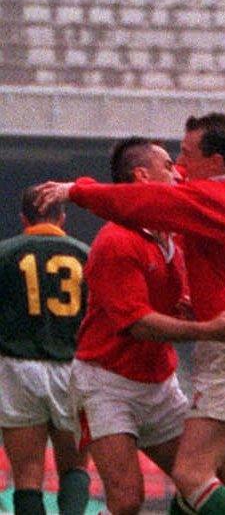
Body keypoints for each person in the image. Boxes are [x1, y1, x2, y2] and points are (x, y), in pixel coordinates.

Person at [36, 113, 225, 515]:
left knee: (197, 474)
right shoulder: (120, 241)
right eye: (171, 162)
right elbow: (138, 324)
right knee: (133, 499)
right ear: (143, 178)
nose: (179, 169)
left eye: (184, 156)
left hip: (182, 371)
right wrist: (201, 320)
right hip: (108, 382)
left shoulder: (192, 214)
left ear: (214, 162)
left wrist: (205, 326)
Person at [0, 185, 90, 515]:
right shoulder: (86, 253)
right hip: (73, 367)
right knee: (76, 468)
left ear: (24, 218)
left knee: (26, 475)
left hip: (16, 368)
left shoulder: (5, 252)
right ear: (62, 217)